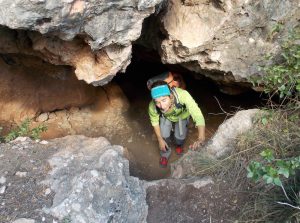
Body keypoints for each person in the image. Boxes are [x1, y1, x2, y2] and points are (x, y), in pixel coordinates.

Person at [148, 80, 205, 167]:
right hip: (166, 117)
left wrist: (201, 137)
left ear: (170, 96)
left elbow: (197, 114)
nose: (162, 106)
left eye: (164, 100)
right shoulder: (153, 106)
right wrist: (160, 139)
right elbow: (154, 122)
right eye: (157, 102)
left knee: (180, 137)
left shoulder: (182, 95)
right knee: (163, 136)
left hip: (181, 116)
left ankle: (179, 145)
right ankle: (165, 154)